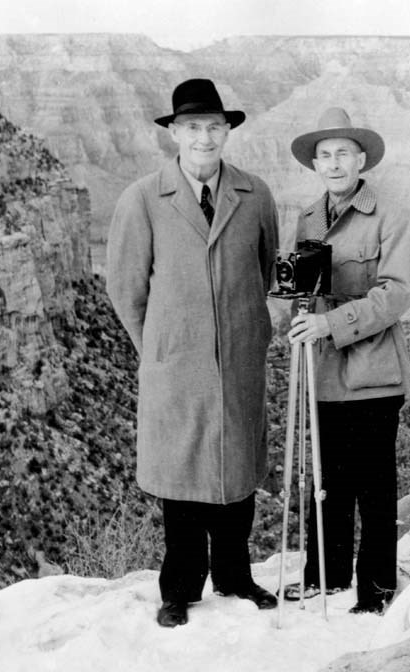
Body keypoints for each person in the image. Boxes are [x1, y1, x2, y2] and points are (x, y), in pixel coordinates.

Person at [106, 78, 279, 628]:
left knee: (236, 470)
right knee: (181, 479)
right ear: (174, 133)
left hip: (239, 357)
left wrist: (243, 332)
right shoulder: (142, 198)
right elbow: (125, 289)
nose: (203, 137)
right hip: (174, 366)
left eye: (213, 127)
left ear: (227, 132)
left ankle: (236, 575)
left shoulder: (255, 195)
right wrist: (158, 348)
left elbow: (266, 267)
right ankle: (179, 588)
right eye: (192, 127)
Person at [283, 107, 410, 614]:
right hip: (323, 374)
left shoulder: (389, 215)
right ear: (315, 164)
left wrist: (329, 324)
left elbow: (396, 293)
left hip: (374, 372)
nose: (334, 163)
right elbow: (304, 289)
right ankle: (325, 575)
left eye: (343, 153)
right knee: (328, 482)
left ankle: (376, 590)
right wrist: (295, 313)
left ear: (361, 159)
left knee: (374, 487)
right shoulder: (308, 218)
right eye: (324, 155)